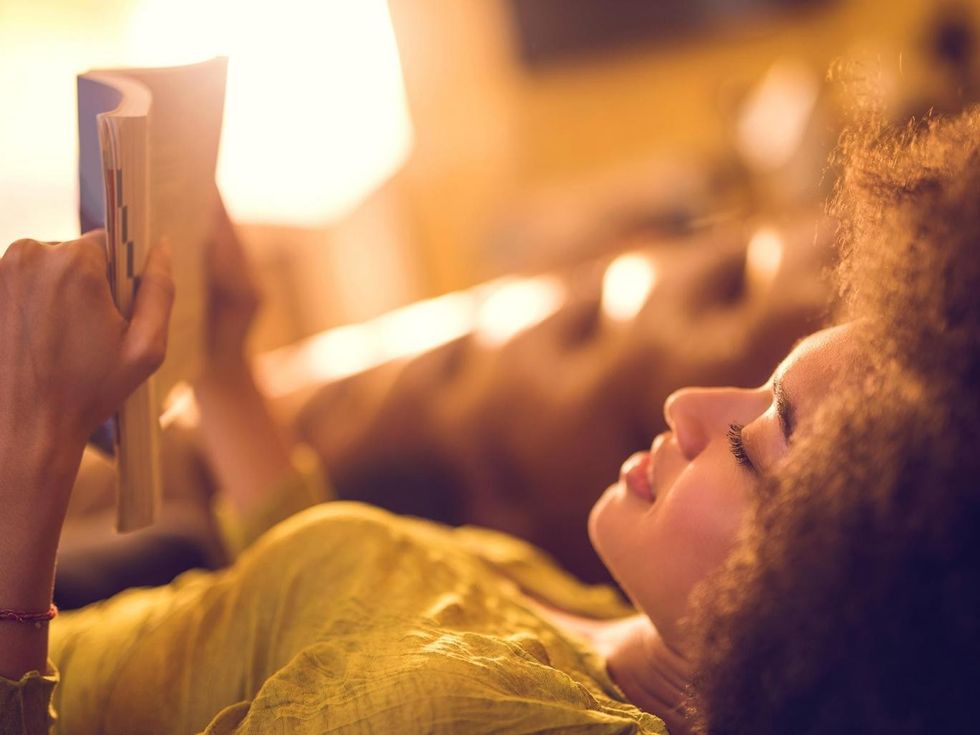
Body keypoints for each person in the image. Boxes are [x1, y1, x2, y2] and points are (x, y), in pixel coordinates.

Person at [0, 104, 975, 734]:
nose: (687, 406)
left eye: (754, 442)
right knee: (166, 531)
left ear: (830, 623)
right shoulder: (618, 632)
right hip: (113, 602)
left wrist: (29, 466)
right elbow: (302, 608)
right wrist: (226, 370)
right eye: (760, 387)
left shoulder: (464, 715)